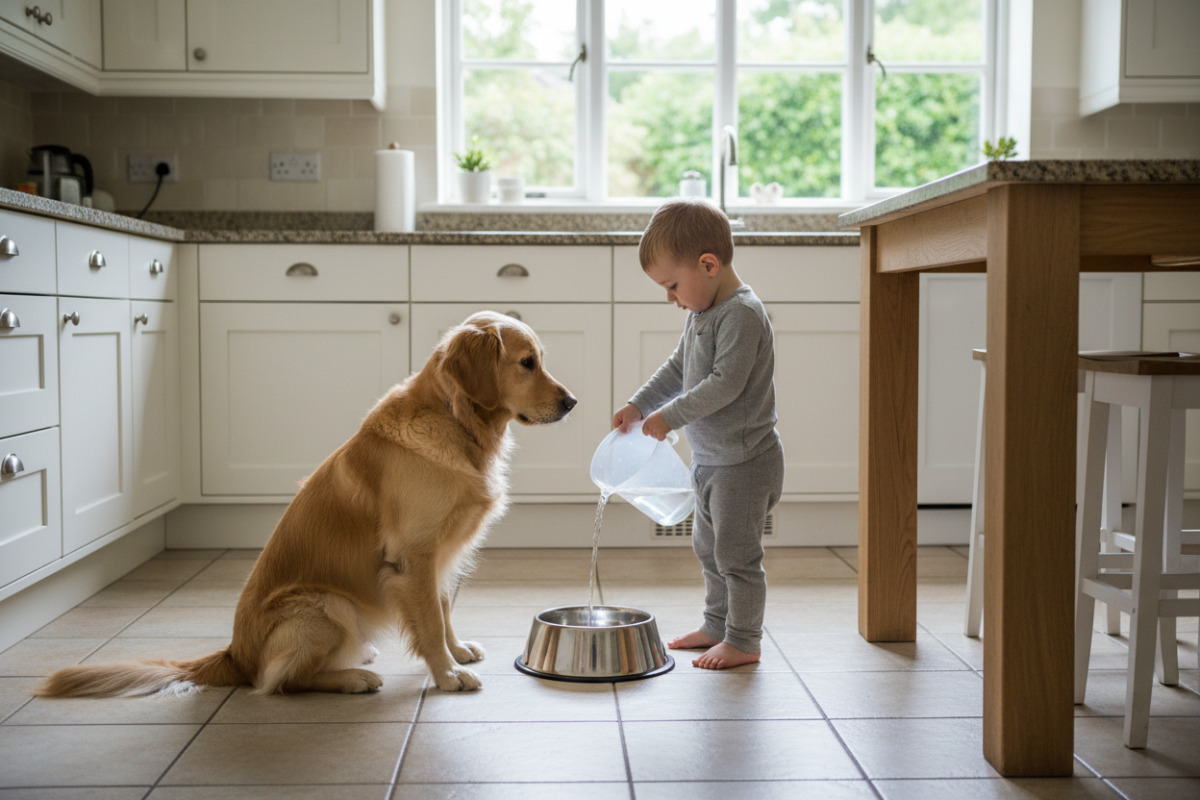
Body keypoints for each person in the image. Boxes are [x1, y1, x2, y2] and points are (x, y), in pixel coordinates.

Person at [612, 197, 784, 670]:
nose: (671, 297)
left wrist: (670, 416)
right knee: (707, 547)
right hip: (712, 459)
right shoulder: (702, 313)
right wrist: (640, 403)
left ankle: (745, 640)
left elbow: (724, 385)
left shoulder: (742, 314)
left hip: (746, 463)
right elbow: (679, 367)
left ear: (708, 265)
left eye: (672, 285)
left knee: (736, 554)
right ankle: (716, 625)